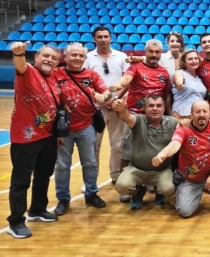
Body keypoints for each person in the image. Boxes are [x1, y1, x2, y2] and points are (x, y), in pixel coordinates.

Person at [6, 43, 63, 239]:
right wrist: (19, 53)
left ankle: (37, 209)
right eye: (45, 56)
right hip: (25, 137)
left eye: (53, 58)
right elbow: (20, 65)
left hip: (48, 136)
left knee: (43, 175)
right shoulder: (28, 72)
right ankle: (16, 221)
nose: (49, 60)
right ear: (36, 57)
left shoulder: (53, 77)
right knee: (21, 181)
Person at [110, 39, 171, 201]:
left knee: (155, 151)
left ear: (161, 54)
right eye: (151, 51)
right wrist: (118, 85)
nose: (154, 55)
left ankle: (152, 183)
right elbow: (126, 79)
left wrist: (169, 114)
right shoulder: (135, 67)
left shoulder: (164, 72)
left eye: (157, 52)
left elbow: (166, 96)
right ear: (145, 52)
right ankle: (128, 189)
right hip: (134, 117)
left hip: (156, 119)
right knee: (127, 152)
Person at [52, 43, 110, 215]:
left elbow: (106, 91)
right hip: (63, 128)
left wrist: (102, 96)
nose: (77, 58)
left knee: (90, 163)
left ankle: (91, 194)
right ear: (65, 57)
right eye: (74, 55)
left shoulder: (92, 75)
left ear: (85, 58)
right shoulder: (56, 74)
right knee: (62, 165)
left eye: (81, 55)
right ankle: (63, 198)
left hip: (86, 126)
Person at [153, 101, 210, 217]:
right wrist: (163, 153)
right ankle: (195, 193)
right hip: (190, 178)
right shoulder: (184, 127)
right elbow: (175, 144)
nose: (201, 114)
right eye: (197, 112)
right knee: (184, 212)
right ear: (191, 115)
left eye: (204, 111)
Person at [113, 95, 179, 209]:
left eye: (158, 105)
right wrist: (121, 109)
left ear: (164, 107)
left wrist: (186, 121)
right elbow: (126, 116)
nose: (155, 108)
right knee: (121, 186)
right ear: (145, 108)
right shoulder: (138, 120)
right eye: (151, 106)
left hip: (162, 170)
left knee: (168, 189)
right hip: (137, 169)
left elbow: (186, 128)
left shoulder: (172, 122)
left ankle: (160, 192)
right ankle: (138, 192)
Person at [83, 26, 129, 185]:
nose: (103, 39)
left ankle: (116, 175)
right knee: (93, 145)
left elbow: (127, 81)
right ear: (94, 39)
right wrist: (102, 99)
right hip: (96, 108)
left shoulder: (121, 56)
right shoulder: (87, 58)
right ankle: (91, 181)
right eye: (99, 37)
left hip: (117, 106)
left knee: (118, 144)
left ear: (111, 38)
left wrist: (116, 99)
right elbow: (85, 83)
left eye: (106, 36)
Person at [171, 49, 207, 120]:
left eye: (196, 58)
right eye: (190, 59)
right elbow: (178, 79)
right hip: (182, 116)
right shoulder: (180, 72)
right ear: (184, 62)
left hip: (198, 116)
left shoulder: (199, 78)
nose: (194, 61)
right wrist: (179, 83)